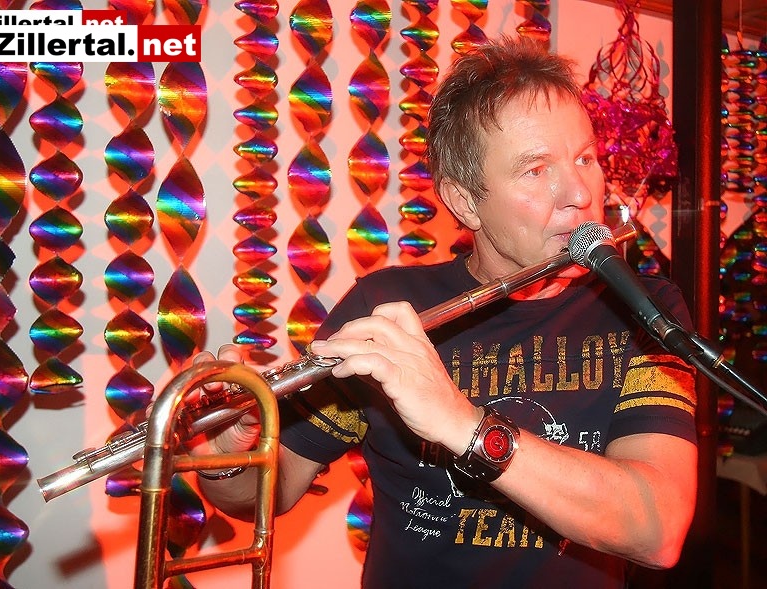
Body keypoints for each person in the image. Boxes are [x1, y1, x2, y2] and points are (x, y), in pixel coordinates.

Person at [190, 35, 698, 588]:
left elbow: (657, 529)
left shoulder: (644, 311)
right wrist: (230, 455)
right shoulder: (387, 309)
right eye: (535, 170)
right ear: (464, 201)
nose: (579, 192)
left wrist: (461, 423)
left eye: (585, 158)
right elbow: (270, 491)